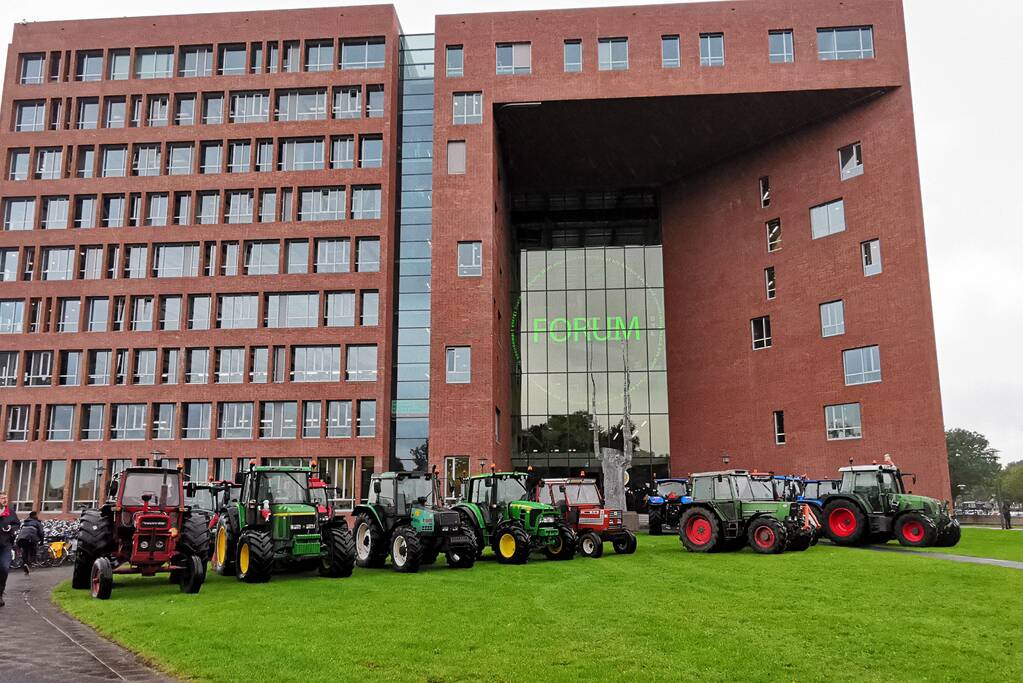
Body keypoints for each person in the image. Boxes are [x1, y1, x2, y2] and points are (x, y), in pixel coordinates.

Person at [0, 491, 20, 607]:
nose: (5, 500)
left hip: (5, 545)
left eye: (6, 498)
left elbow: (17, 524)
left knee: (4, 568)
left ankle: (0, 593)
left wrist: (12, 528)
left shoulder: (10, 513)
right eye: (2, 498)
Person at [16, 511, 43, 575]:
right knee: (33, 552)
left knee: (25, 551)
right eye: (37, 515)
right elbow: (41, 533)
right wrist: (42, 541)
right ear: (34, 516)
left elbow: (21, 530)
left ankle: (25, 564)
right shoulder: (37, 523)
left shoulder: (25, 522)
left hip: (22, 538)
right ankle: (28, 564)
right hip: (31, 538)